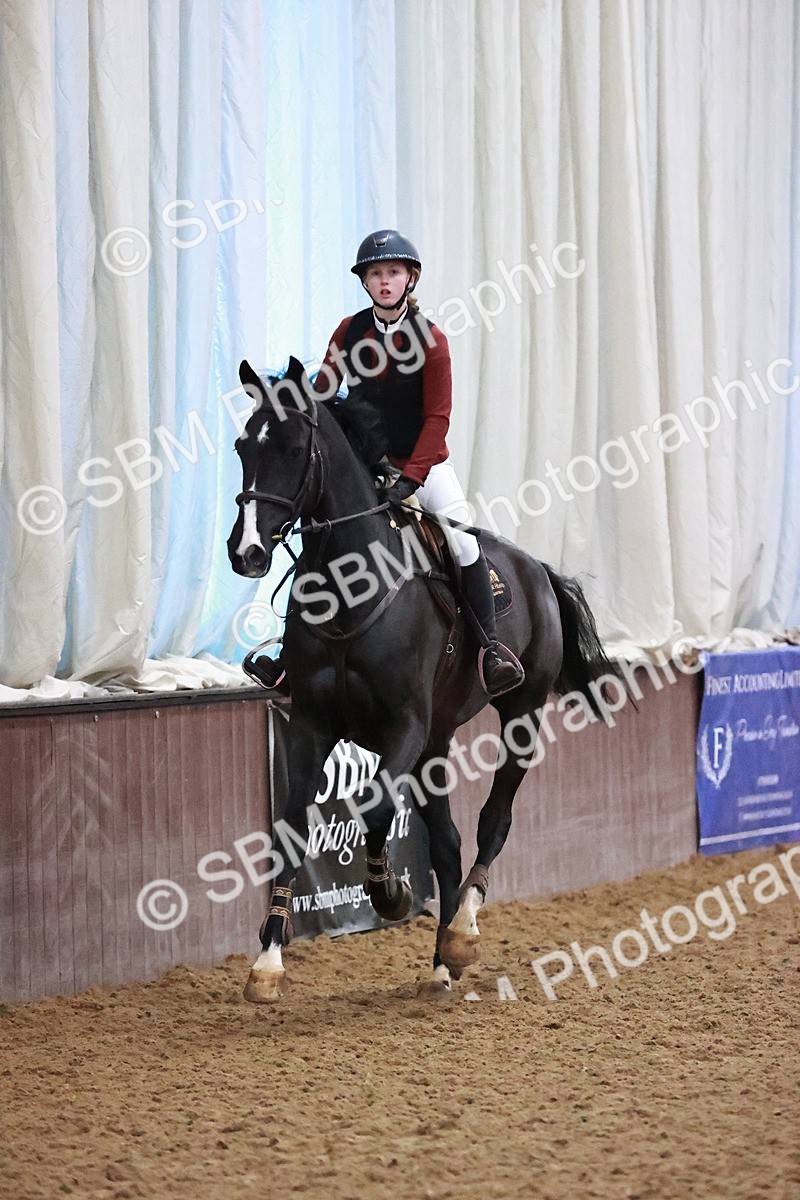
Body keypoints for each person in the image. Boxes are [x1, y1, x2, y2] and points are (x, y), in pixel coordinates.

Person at [246, 229, 524, 698]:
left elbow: (438, 419)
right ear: (366, 282)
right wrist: (288, 400)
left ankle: (490, 649)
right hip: (365, 463)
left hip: (423, 465)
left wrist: (410, 479)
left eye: (393, 272)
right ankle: (291, 655)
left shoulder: (432, 340)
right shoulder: (348, 331)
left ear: (410, 279)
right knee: (320, 537)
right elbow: (324, 390)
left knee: (462, 541)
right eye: (375, 274)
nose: (384, 281)